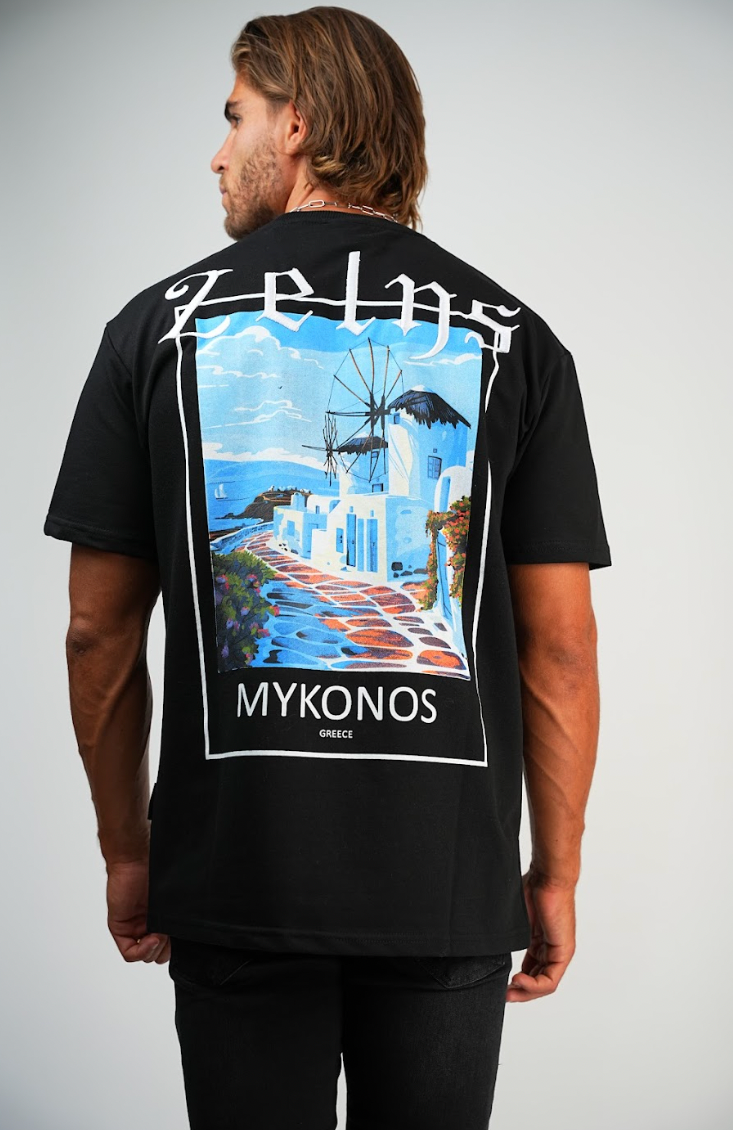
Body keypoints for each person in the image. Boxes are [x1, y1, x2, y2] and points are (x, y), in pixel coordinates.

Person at [43, 7, 611, 1128]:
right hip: (446, 887)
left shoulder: (150, 330)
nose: (216, 154)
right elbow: (561, 645)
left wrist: (127, 848)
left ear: (296, 125)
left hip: (235, 879)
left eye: (234, 117)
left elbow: (96, 632)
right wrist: (553, 871)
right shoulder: (521, 340)